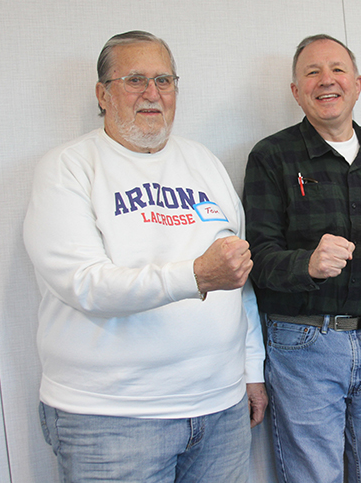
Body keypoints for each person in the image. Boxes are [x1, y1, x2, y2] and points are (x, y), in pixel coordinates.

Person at [23, 30, 267, 483]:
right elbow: (85, 285)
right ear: (102, 93)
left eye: (164, 80)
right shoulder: (69, 167)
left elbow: (239, 276)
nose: (152, 94)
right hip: (112, 418)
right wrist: (195, 276)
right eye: (135, 80)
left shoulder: (204, 162)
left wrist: (251, 368)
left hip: (220, 408)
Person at [243, 34, 361, 483]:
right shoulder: (272, 156)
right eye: (311, 72)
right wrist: (307, 265)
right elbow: (258, 258)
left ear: (358, 83)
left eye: (336, 70)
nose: (326, 80)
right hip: (304, 344)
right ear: (296, 91)